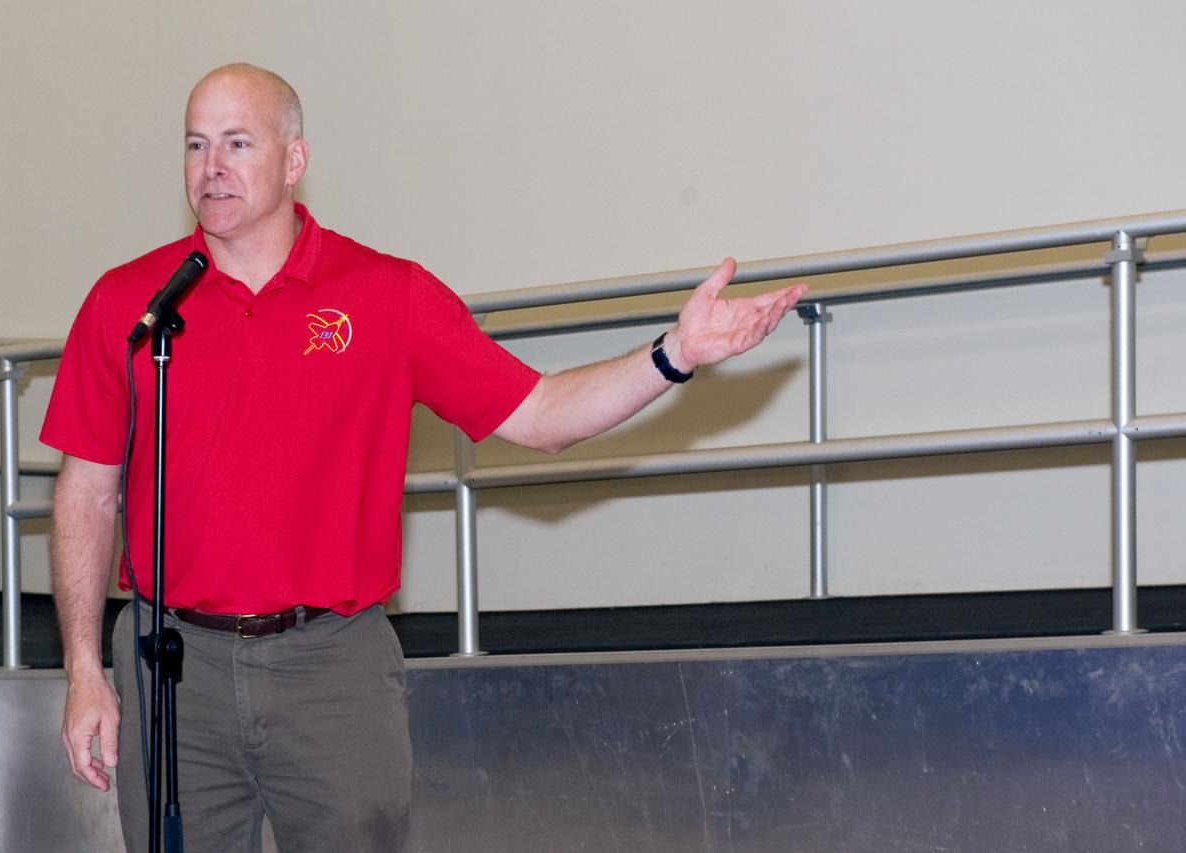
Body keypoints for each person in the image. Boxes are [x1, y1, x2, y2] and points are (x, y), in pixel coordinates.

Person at [44, 63, 806, 852]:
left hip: (331, 668)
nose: (212, 167)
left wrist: (673, 353)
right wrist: (85, 670)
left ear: (294, 159)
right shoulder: (130, 304)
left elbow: (541, 414)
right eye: (197, 145)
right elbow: (85, 494)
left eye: (238, 142)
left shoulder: (384, 295)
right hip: (172, 668)